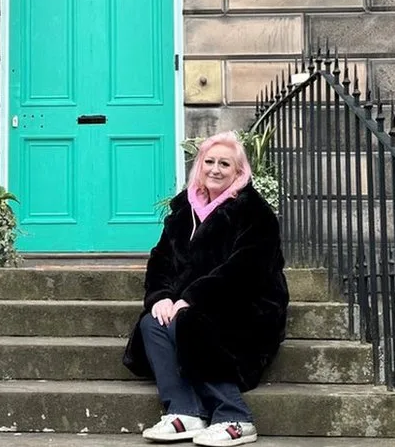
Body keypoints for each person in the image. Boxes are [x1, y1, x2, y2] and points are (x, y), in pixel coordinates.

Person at [122, 131, 289, 446]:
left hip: (248, 310)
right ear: (198, 166)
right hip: (192, 308)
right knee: (152, 322)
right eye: (209, 162)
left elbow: (246, 269)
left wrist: (191, 298)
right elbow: (161, 261)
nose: (215, 169)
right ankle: (185, 411)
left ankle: (235, 416)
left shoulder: (254, 212)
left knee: (191, 322)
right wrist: (161, 298)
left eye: (224, 164)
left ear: (238, 173)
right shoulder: (184, 211)